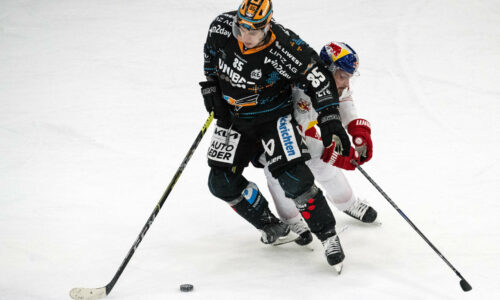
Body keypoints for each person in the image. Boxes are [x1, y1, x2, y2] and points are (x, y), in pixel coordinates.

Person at [200, 0, 355, 269]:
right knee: (220, 182)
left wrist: (330, 120)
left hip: (273, 118)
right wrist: (211, 88)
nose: (245, 37)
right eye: (241, 28)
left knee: (294, 178)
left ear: (267, 25)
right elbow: (210, 57)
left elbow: (319, 79)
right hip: (233, 117)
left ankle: (328, 235)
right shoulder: (222, 27)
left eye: (253, 31)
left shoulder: (285, 47)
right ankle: (271, 224)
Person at [259, 41, 378, 246]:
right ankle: (293, 221)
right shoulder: (301, 91)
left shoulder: (331, 84)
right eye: (343, 76)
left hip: (306, 139)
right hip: (276, 142)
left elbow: (345, 100)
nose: (347, 83)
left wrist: (358, 130)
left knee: (325, 169)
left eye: (350, 77)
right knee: (279, 177)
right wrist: (333, 152)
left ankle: (347, 203)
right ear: (327, 69)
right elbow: (299, 134)